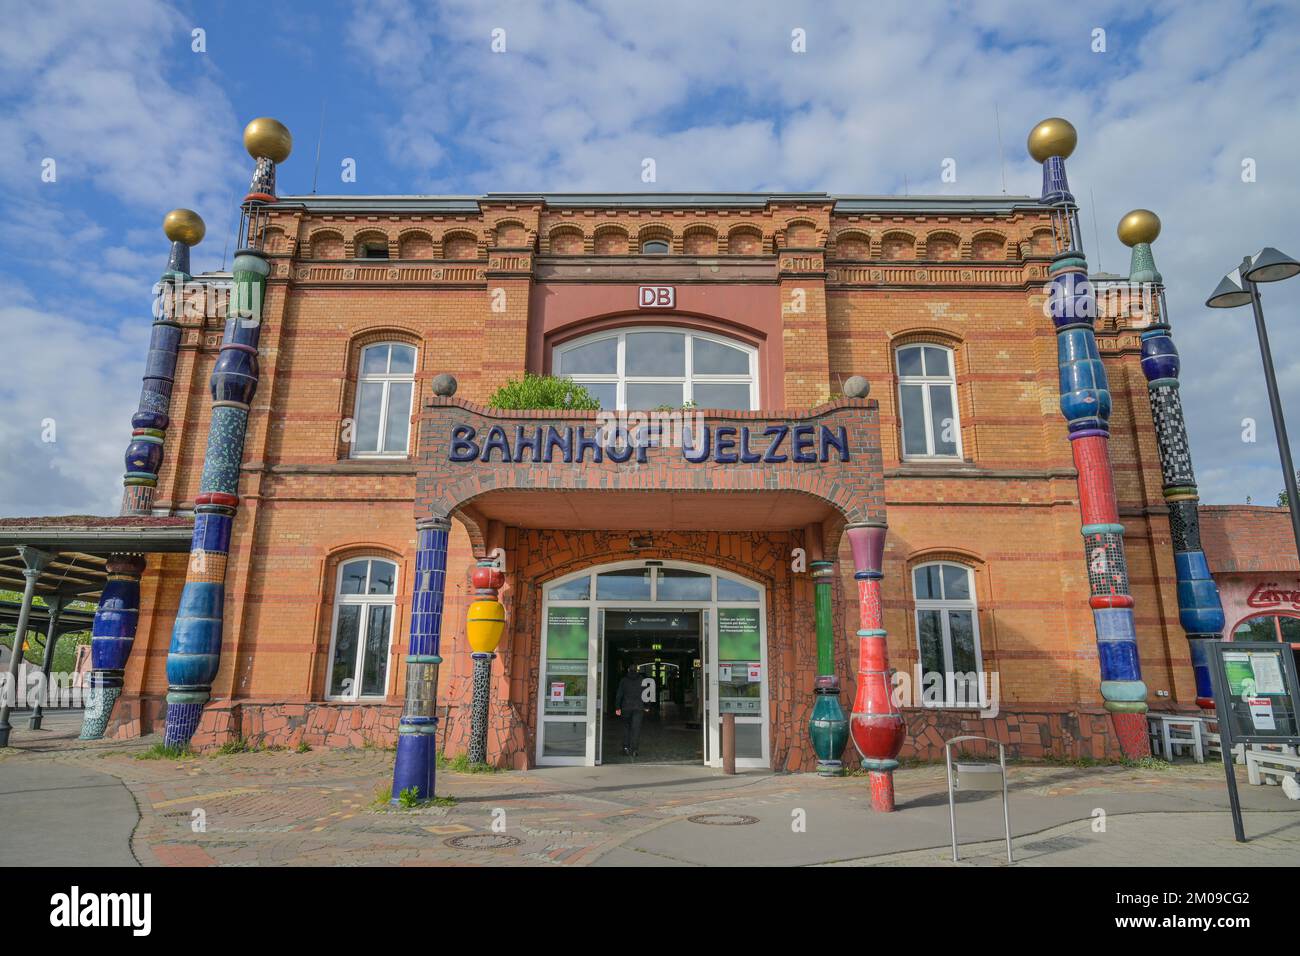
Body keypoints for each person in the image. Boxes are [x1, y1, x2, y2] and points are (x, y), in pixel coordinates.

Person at [614, 664, 646, 757]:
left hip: (626, 707)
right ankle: (635, 750)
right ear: (637, 670)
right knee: (636, 729)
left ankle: (625, 748)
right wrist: (647, 706)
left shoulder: (623, 680)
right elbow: (646, 695)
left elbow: (619, 694)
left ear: (628, 670)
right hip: (638, 708)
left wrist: (617, 707)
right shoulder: (642, 680)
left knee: (626, 728)